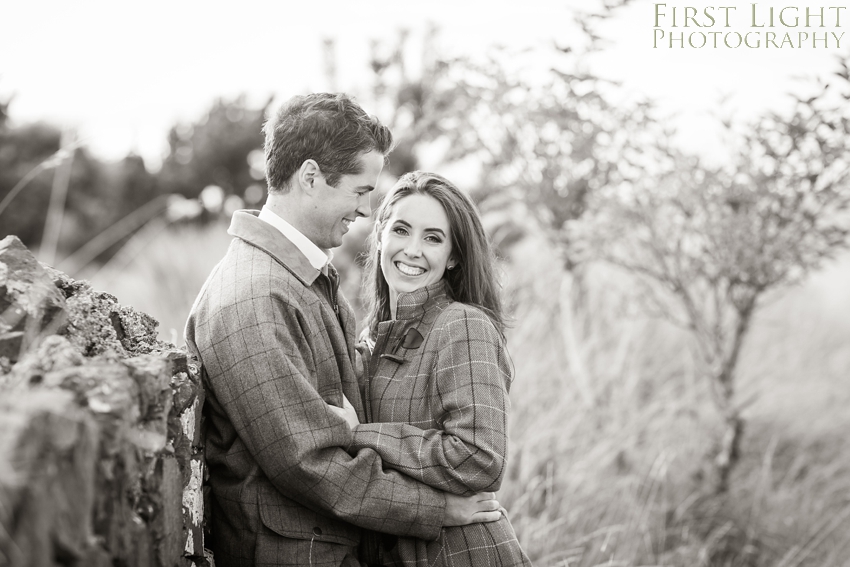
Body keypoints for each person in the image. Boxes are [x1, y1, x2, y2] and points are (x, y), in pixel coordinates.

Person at [184, 94, 503, 567]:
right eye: (360, 190)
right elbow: (307, 462)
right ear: (311, 176)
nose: (366, 208)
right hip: (297, 554)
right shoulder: (254, 295)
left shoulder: (301, 275)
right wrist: (436, 509)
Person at [329, 171, 532, 566]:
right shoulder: (370, 336)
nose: (413, 250)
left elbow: (479, 459)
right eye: (401, 230)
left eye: (433, 238)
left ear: (454, 256)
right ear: (381, 236)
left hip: (464, 553)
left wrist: (361, 434)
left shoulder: (462, 324)